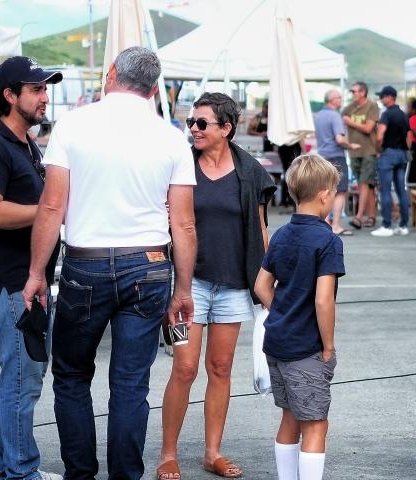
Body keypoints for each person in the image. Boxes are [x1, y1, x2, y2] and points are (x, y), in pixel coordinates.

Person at [21, 46, 197, 480]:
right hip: (151, 264)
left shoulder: (75, 125)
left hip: (87, 265)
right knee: (131, 386)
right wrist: (184, 289)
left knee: (72, 377)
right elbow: (185, 225)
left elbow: (51, 207)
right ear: (154, 89)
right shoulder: (173, 137)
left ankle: (80, 475)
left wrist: (36, 273)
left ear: (112, 73)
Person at [157, 92, 276, 480]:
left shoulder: (251, 172)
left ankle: (212, 452)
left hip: (232, 285)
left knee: (221, 367)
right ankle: (168, 455)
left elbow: (260, 230)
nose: (193, 129)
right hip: (186, 286)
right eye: (191, 122)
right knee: (185, 367)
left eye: (202, 123)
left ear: (226, 128)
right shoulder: (180, 166)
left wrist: (268, 282)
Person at [0, 56, 64, 480]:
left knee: (19, 382)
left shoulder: (26, 142)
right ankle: (22, 472)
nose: (45, 97)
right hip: (10, 287)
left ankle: (7, 468)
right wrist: (50, 210)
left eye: (46, 88)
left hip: (25, 282)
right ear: (10, 96)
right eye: (36, 89)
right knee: (22, 384)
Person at [253, 154, 345, 480]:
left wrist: (283, 309)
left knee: (290, 418)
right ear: (323, 193)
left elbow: (262, 285)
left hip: (276, 342)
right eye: (333, 191)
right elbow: (323, 301)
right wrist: (329, 345)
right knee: (316, 423)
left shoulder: (280, 235)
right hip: (306, 348)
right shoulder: (327, 241)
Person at [372, 86, 412, 237]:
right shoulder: (403, 114)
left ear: (389, 97)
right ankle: (403, 225)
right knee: (401, 189)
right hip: (402, 154)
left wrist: (378, 149)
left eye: (382, 96)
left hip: (388, 153)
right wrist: (405, 150)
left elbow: (380, 135)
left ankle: (387, 225)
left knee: (386, 190)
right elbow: (409, 137)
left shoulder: (386, 114)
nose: (381, 99)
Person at [342, 82, 381, 230]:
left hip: (368, 151)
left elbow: (368, 128)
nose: (352, 94)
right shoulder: (350, 107)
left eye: (354, 91)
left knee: (364, 183)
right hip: (354, 151)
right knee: (366, 185)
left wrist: (350, 122)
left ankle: (358, 217)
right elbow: (340, 115)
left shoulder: (372, 106)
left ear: (363, 92)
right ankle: (371, 216)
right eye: (351, 91)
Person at [315, 89, 353, 235]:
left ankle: (325, 224)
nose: (341, 100)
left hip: (322, 156)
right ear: (332, 100)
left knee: (324, 191)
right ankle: (335, 225)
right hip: (336, 156)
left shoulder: (319, 116)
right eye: (339, 97)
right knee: (340, 191)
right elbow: (339, 139)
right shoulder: (335, 115)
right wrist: (350, 145)